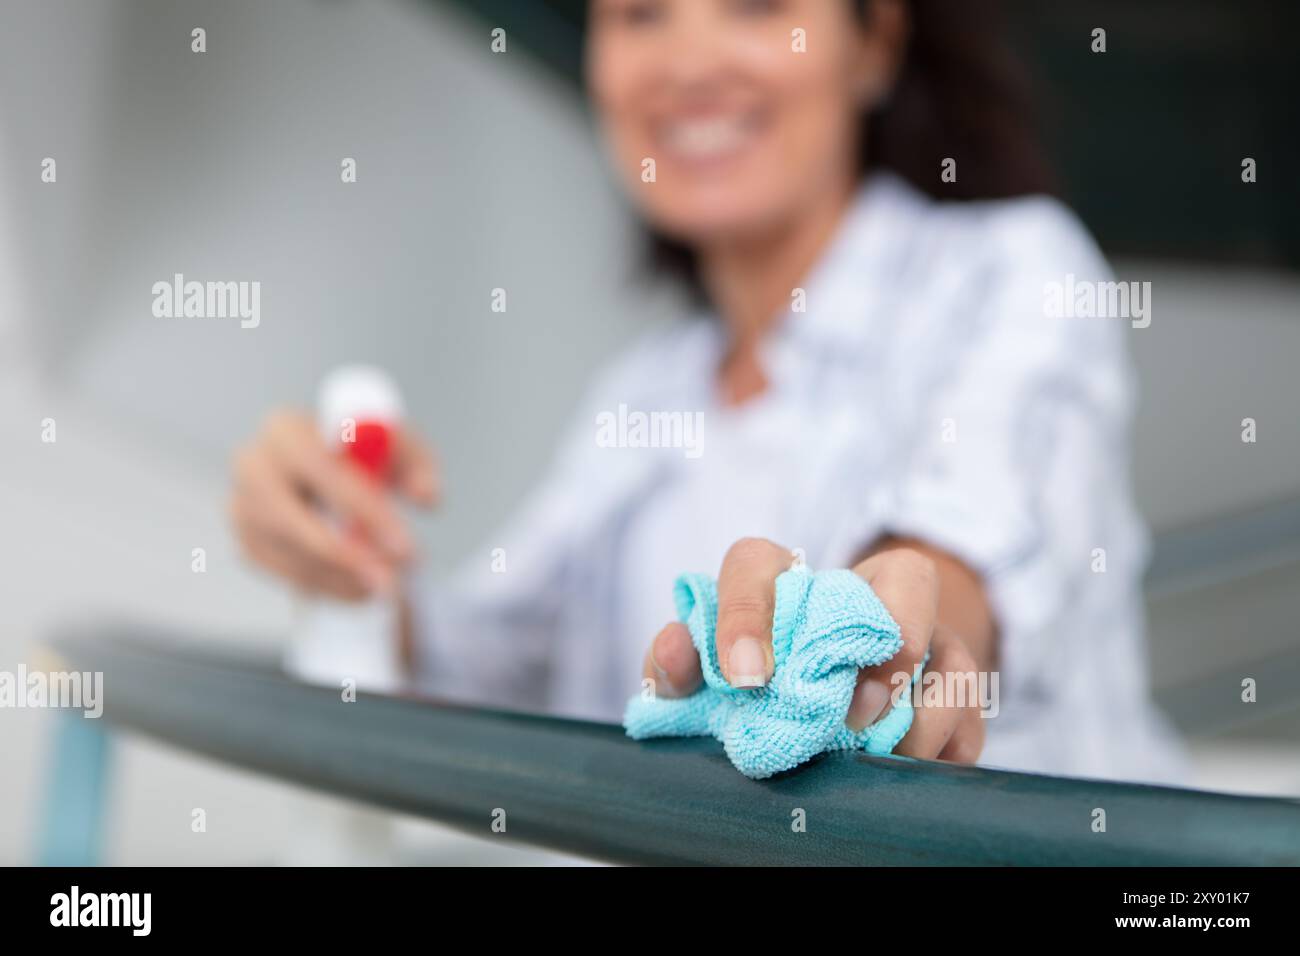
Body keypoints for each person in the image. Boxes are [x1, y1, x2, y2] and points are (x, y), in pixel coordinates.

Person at [229, 0, 1183, 781]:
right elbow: (483, 668)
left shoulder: (1014, 270)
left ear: (875, 43)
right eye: (641, 13)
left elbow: (967, 546)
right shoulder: (642, 390)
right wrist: (342, 554)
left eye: (757, 5)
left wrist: (884, 630)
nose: (688, 59)